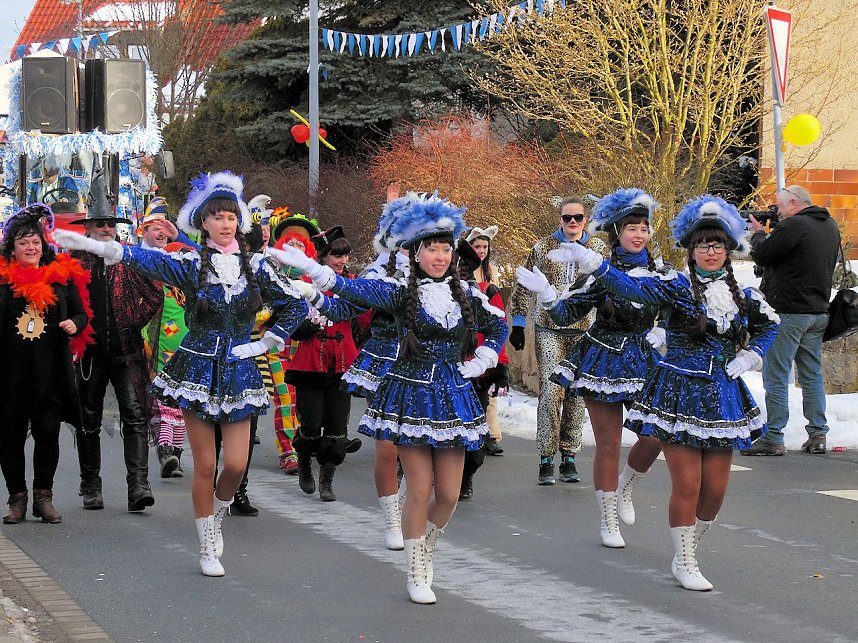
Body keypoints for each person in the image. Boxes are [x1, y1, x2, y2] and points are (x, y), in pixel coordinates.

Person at [54, 171, 309, 577]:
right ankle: (207, 542)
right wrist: (89, 244)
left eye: (232, 218)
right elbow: (145, 258)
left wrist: (268, 341)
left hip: (241, 369)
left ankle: (218, 514)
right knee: (205, 466)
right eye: (218, 217)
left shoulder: (257, 266)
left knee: (237, 465)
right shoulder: (191, 265)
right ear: (202, 222)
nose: (226, 224)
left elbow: (296, 304)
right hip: (196, 368)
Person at [276, 192, 508, 604]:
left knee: (449, 495)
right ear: (416, 253)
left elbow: (500, 324)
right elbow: (353, 292)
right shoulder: (400, 291)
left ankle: (426, 548)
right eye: (431, 249)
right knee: (418, 487)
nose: (439, 257)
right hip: (409, 394)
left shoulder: (466, 295)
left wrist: (485, 358)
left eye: (445, 250)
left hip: (453, 397)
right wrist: (312, 270)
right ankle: (416, 566)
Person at [547, 195, 779, 591]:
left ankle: (685, 547)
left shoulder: (744, 294)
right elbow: (626, 285)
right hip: (677, 390)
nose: (711, 251)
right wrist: (595, 265)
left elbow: (769, 326)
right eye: (703, 244)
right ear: (691, 249)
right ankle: (685, 559)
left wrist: (751, 357)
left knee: (716, 491)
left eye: (718, 245)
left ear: (728, 250)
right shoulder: (674, 286)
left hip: (722, 395)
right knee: (685, 482)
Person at [516, 188, 664, 547]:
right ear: (617, 233)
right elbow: (568, 312)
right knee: (609, 443)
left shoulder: (662, 272)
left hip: (644, 358)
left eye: (644, 227)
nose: (638, 234)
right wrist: (547, 296)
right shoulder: (599, 271)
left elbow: (680, 311)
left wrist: (665, 331)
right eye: (631, 227)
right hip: (602, 357)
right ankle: (608, 518)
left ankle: (628, 483)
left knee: (656, 434)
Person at [68, 184, 164, 514]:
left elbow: (155, 295)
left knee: (136, 418)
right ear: (89, 229)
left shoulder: (130, 258)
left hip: (127, 352)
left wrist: (130, 321)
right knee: (88, 420)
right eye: (100, 224)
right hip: (89, 355)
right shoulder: (74, 263)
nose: (107, 229)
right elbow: (62, 303)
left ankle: (139, 486)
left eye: (111, 224)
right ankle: (91, 484)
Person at [0, 204, 92, 524]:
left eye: (35, 241)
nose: (30, 246)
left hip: (50, 373)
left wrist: (74, 325)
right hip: (10, 374)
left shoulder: (59, 280)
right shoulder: (3, 282)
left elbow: (81, 314)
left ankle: (43, 498)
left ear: (44, 245)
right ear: (12, 248)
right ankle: (17, 499)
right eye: (23, 241)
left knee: (48, 432)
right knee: (9, 437)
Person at [507, 197, 609, 485]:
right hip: (549, 327)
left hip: (584, 330)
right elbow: (524, 285)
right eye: (567, 218)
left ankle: (569, 454)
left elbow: (608, 284)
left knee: (577, 393)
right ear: (560, 220)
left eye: (578, 217)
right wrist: (517, 323)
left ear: (585, 220)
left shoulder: (598, 248)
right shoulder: (542, 247)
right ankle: (545, 455)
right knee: (552, 391)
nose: (573, 222)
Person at [741, 185, 840, 456]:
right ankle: (818, 434)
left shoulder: (794, 226)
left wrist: (759, 233)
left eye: (781, 207)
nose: (779, 212)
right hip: (818, 312)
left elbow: (762, 253)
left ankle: (773, 437)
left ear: (794, 204)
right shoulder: (829, 225)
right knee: (811, 375)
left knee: (775, 375)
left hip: (788, 313)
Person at [285, 226, 370, 502]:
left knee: (337, 426)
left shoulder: (353, 283)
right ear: (323, 256)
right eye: (336, 255)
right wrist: (302, 327)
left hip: (343, 363)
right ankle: (305, 461)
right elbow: (287, 319)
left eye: (345, 255)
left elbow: (367, 318)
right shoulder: (305, 282)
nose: (342, 260)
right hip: (310, 363)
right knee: (310, 424)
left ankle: (327, 479)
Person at [138, 198, 191, 479]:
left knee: (180, 402)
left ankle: (175, 453)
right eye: (153, 228)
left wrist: (179, 237)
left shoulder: (180, 257)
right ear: (143, 231)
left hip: (184, 344)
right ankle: (165, 450)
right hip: (151, 343)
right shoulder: (137, 260)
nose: (159, 233)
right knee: (160, 401)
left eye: (163, 228)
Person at [466, 226, 505, 456]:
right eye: (477, 246)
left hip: (488, 334)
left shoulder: (491, 272)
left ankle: (491, 434)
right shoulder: (463, 269)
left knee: (490, 388)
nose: (481, 251)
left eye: (484, 247)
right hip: (471, 335)